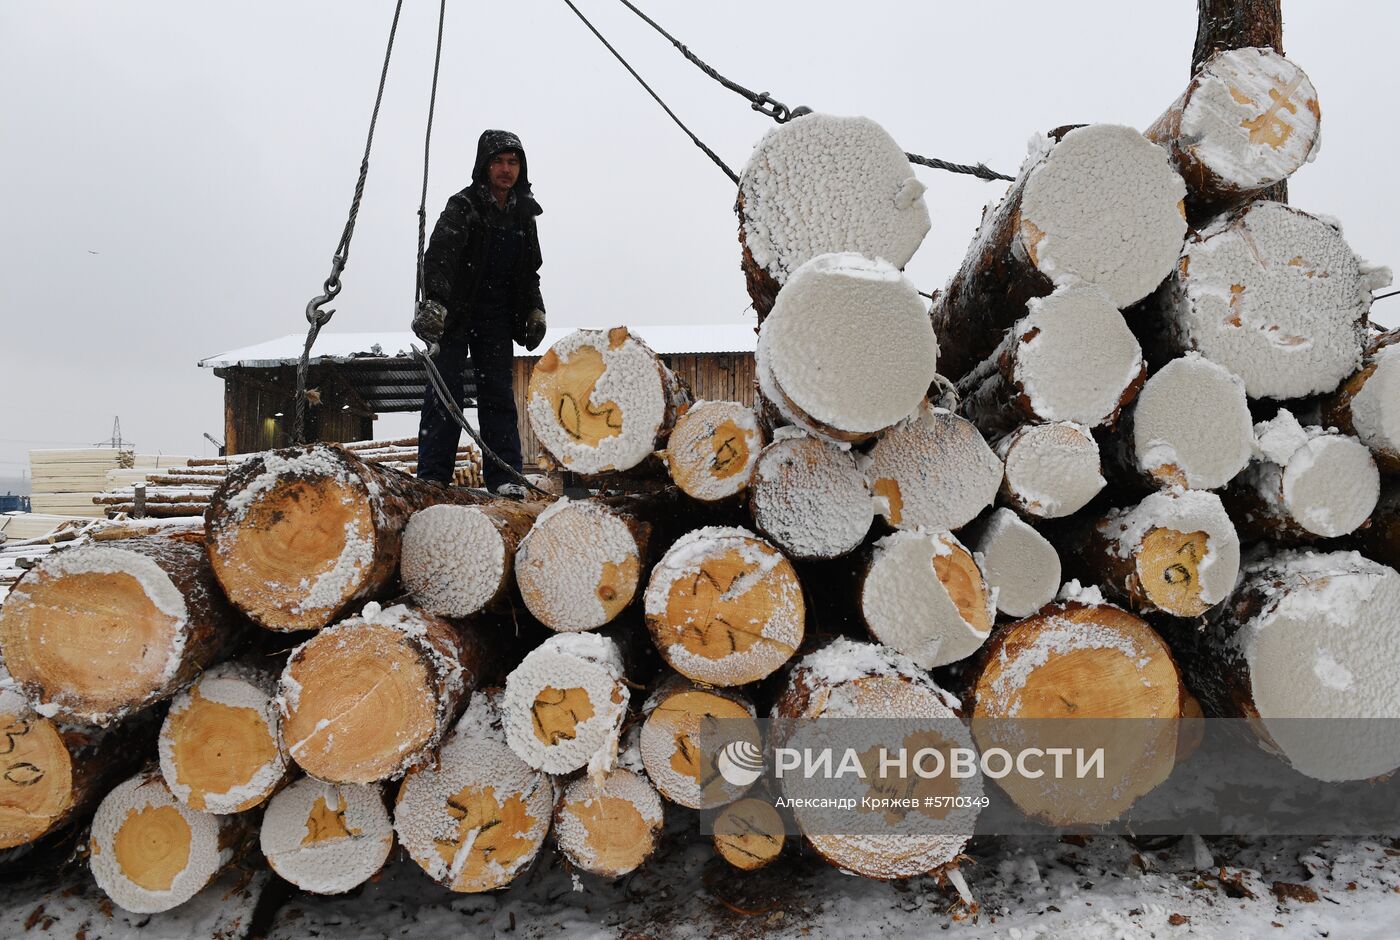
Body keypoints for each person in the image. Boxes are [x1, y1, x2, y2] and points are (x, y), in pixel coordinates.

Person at [413, 129, 547, 495]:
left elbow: (528, 272)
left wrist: (535, 310)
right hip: (454, 313)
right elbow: (439, 256)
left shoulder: (523, 215)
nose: (506, 169)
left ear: (521, 167)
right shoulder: (464, 205)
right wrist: (436, 303)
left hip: (496, 317)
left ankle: (505, 479)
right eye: (498, 162)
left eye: (513, 162)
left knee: (498, 395)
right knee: (445, 392)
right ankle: (433, 477)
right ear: (484, 166)